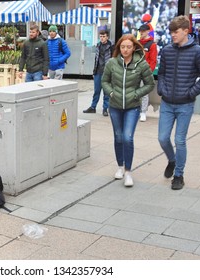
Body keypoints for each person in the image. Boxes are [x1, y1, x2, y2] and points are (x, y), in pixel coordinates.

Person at [157, 15, 200, 190]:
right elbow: (162, 73)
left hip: (185, 104)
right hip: (167, 103)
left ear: (186, 31)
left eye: (176, 32)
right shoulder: (166, 50)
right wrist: (161, 90)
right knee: (163, 138)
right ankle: (172, 161)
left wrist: (190, 93)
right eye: (171, 32)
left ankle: (179, 175)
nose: (173, 35)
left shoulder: (198, 52)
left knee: (180, 140)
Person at [102, 34, 155, 187]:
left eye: (129, 47)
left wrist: (136, 94)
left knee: (127, 138)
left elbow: (149, 84)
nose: (125, 50)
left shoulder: (141, 64)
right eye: (122, 47)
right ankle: (119, 166)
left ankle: (128, 172)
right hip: (115, 106)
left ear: (134, 48)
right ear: (119, 47)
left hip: (132, 107)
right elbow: (105, 81)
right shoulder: (112, 63)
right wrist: (111, 93)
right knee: (118, 137)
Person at [83, 30, 114, 116]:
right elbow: (96, 59)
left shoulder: (111, 46)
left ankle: (105, 108)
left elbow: (114, 59)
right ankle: (93, 107)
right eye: (100, 36)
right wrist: (94, 71)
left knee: (106, 92)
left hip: (107, 72)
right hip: (98, 71)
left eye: (104, 36)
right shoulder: (98, 45)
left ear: (107, 37)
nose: (102, 38)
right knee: (96, 91)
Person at [138, 24, 158, 122]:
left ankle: (143, 112)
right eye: (140, 31)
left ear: (147, 31)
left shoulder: (152, 44)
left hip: (145, 72)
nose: (141, 33)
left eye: (143, 31)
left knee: (144, 93)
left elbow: (153, 60)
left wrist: (148, 72)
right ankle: (136, 110)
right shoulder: (137, 43)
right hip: (135, 72)